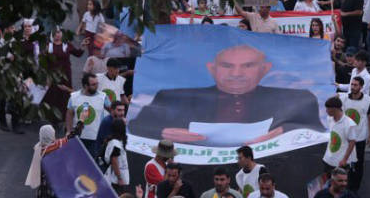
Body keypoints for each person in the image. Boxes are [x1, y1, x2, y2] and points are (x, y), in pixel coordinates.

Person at [129, 44, 324, 144]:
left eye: (248, 66)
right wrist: (163, 132)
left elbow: (317, 129)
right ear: (212, 69)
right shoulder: (173, 98)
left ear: (264, 69)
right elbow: (136, 125)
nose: (236, 73)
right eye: (227, 66)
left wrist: (285, 129)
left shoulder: (296, 100)